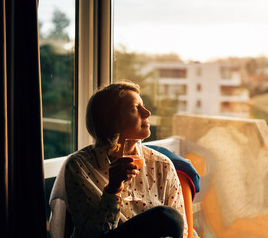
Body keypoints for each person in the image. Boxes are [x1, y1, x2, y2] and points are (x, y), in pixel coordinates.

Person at [64, 81, 188, 238]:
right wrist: (113, 189)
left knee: (171, 218)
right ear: (110, 120)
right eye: (135, 108)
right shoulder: (80, 166)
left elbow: (181, 230)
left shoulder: (161, 165)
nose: (147, 112)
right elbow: (90, 235)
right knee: (165, 216)